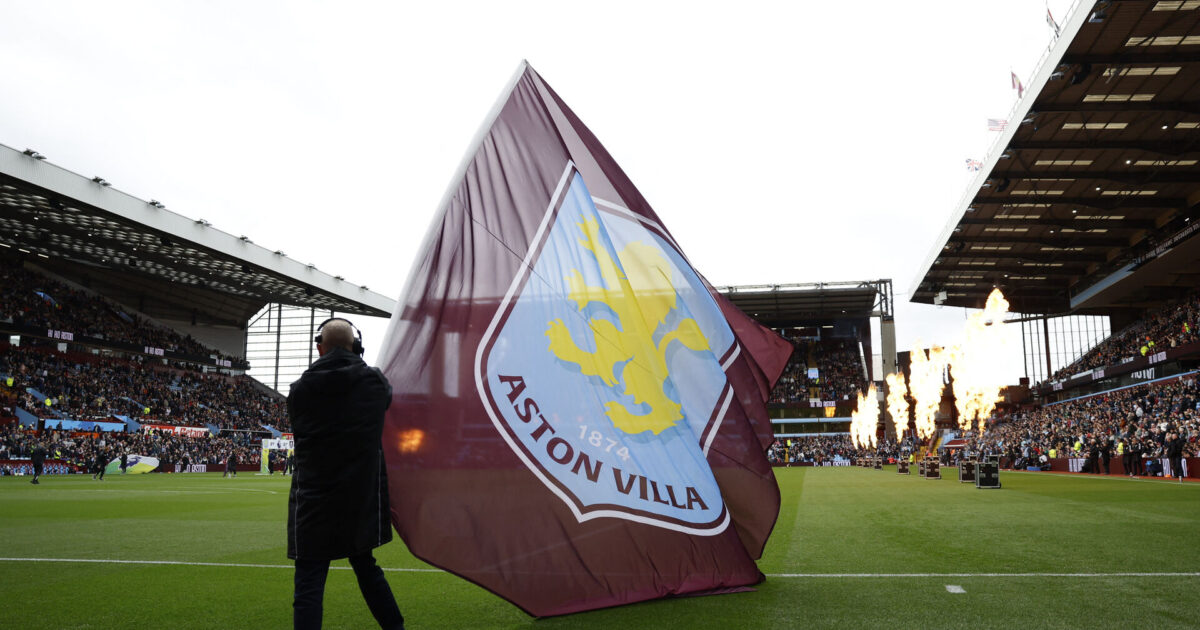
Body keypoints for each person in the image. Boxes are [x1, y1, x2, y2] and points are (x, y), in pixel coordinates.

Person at [287, 318, 403, 630]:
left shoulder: (299, 390)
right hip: (359, 497)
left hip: (313, 499)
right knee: (367, 568)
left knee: (309, 580)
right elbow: (385, 398)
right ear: (357, 346)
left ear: (319, 348)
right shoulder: (375, 383)